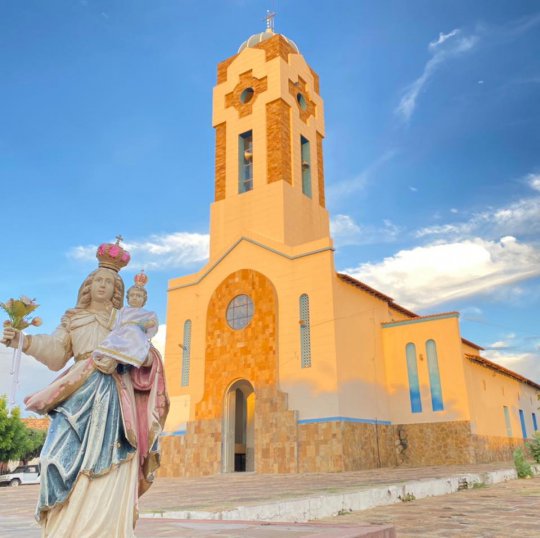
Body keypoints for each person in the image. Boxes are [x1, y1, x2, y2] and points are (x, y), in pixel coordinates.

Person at [2, 239, 169, 537]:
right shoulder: (73, 318)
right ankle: (63, 528)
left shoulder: (124, 319)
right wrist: (23, 341)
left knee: (111, 461)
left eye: (110, 282)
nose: (103, 285)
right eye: (98, 280)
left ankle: (103, 529)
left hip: (113, 395)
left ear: (117, 289)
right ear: (88, 285)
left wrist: (130, 358)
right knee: (53, 458)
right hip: (75, 390)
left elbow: (144, 351)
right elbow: (56, 352)